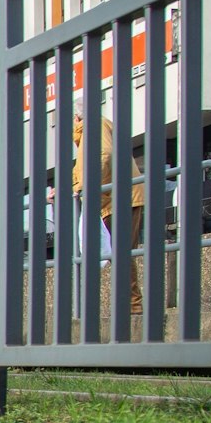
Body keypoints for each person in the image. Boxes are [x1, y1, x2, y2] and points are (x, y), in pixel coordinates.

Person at [71, 115, 145, 315]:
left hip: (119, 198)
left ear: (76, 116)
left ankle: (133, 307)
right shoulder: (89, 132)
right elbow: (82, 170)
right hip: (115, 198)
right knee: (119, 253)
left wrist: (88, 187)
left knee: (120, 253)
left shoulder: (92, 125)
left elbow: (104, 154)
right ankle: (131, 305)